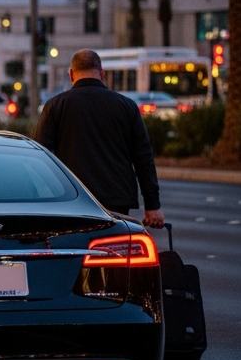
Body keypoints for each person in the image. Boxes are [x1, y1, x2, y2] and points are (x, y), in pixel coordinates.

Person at [34, 49, 165, 227]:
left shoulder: (55, 106)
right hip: (117, 198)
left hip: (72, 198)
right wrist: (152, 205)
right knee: (112, 249)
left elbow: (40, 157)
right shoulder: (126, 106)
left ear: (71, 74)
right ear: (102, 74)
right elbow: (143, 158)